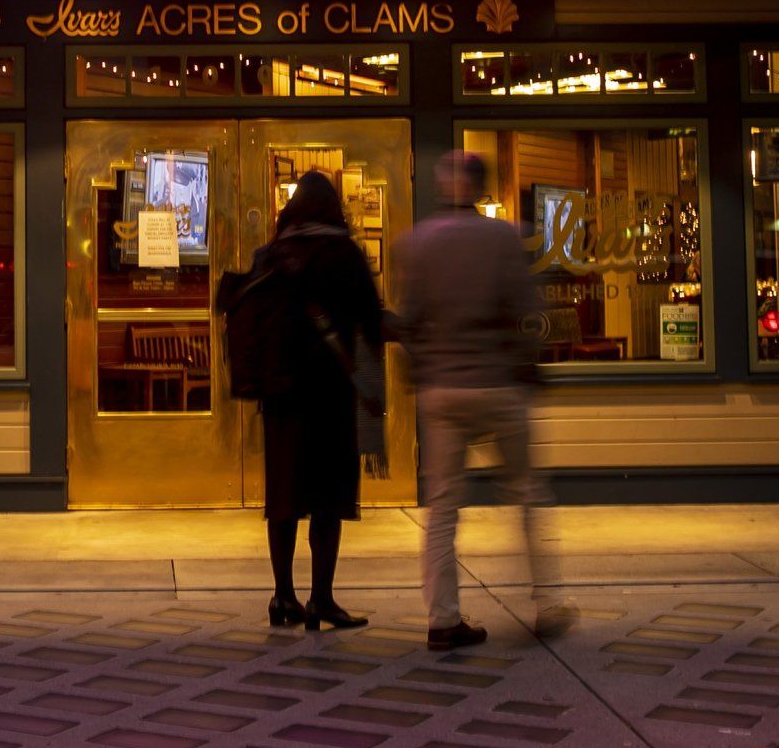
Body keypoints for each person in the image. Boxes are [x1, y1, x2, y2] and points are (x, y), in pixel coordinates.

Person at [393, 151, 569, 650]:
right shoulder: (504, 238)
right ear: (480, 188)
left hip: (442, 389)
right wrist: (525, 363)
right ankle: (547, 601)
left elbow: (410, 318)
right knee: (527, 492)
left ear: (446, 186)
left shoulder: (416, 242)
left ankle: (443, 618)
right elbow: (527, 313)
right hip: (496, 384)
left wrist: (419, 372)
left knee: (443, 506)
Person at [240, 169, 385, 631]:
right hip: (331, 395)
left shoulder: (271, 255)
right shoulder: (343, 254)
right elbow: (372, 321)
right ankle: (321, 598)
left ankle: (283, 596)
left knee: (283, 497)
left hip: (281, 395)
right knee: (328, 498)